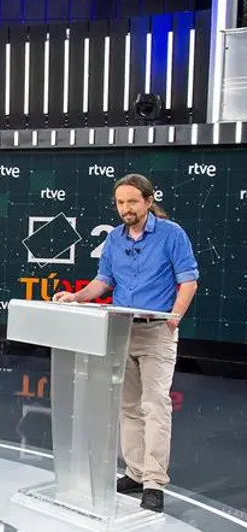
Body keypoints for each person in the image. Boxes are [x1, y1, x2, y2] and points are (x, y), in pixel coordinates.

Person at [54, 173, 198, 513]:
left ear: (148, 201)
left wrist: (175, 317)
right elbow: (103, 281)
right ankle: (135, 472)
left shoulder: (171, 234)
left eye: (132, 201)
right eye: (120, 202)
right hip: (121, 332)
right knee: (129, 407)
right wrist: (76, 297)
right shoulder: (115, 239)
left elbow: (188, 280)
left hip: (157, 332)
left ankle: (154, 483)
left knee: (155, 406)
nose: (126, 208)